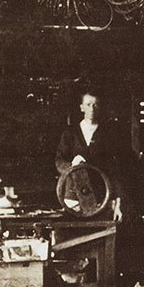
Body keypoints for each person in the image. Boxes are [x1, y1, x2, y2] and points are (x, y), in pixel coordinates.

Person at [55, 91, 126, 220]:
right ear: (81, 107)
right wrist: (73, 166)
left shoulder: (108, 134)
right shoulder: (70, 133)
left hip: (101, 197)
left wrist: (118, 204)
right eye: (88, 104)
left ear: (100, 107)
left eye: (95, 104)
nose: (92, 108)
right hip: (74, 197)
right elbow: (59, 161)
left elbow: (116, 171)